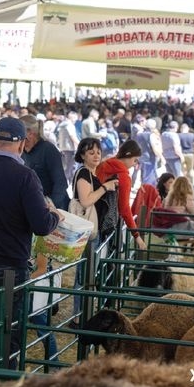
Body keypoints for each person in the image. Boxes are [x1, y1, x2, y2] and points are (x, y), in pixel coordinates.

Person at [0, 116, 60, 369]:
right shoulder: (25, 177)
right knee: (8, 336)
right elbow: (41, 224)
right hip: (7, 265)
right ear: (21, 144)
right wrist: (55, 216)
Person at [70, 137, 118, 325]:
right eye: (91, 152)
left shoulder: (91, 174)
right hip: (87, 232)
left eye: (98, 151)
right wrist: (105, 187)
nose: (96, 155)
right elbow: (86, 201)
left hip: (93, 231)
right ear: (82, 155)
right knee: (83, 274)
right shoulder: (83, 173)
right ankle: (78, 317)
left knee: (88, 273)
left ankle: (83, 314)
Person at [97, 139, 148, 250]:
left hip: (91, 215)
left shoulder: (103, 164)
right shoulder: (123, 177)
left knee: (87, 259)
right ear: (128, 155)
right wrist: (137, 236)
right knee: (101, 261)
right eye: (135, 160)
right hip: (106, 223)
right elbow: (124, 209)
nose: (135, 164)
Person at [20, 115, 69, 210]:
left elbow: (60, 183)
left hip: (54, 207)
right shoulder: (21, 151)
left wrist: (52, 207)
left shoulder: (48, 149)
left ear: (30, 133)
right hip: (34, 205)